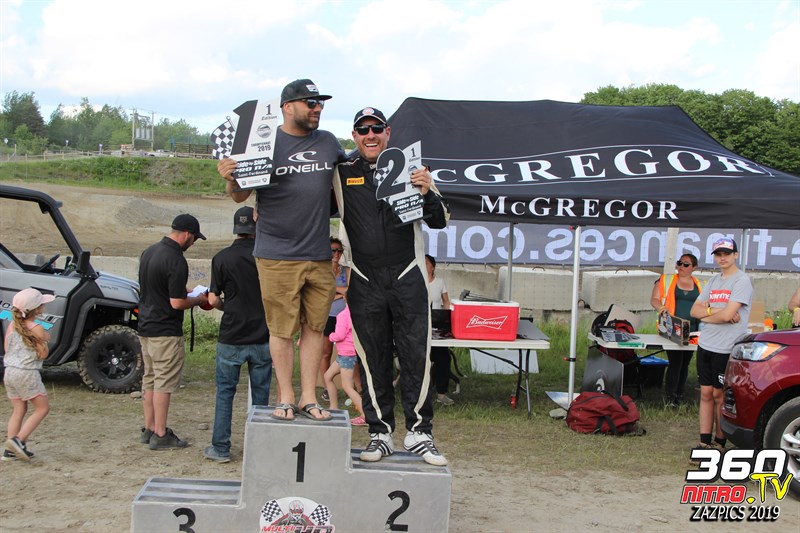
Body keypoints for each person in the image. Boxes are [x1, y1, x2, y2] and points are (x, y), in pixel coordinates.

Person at [217, 79, 345, 422]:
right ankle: (286, 395)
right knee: (281, 330)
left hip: (319, 254)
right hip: (276, 255)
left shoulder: (329, 142)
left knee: (315, 328)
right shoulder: (263, 143)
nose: (317, 108)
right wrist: (230, 177)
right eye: (310, 103)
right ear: (287, 107)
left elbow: (351, 179)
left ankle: (308, 397)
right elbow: (239, 195)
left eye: (320, 103)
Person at [332, 107, 450, 466]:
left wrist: (427, 191)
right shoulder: (341, 172)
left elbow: (441, 219)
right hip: (364, 278)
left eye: (377, 128)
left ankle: (420, 432)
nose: (370, 135)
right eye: (363, 129)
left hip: (407, 275)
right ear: (354, 136)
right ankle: (380, 432)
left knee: (416, 356)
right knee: (372, 359)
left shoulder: (413, 169)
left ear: (388, 132)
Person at [203, 206, 272, 463]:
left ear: (236, 229)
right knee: (261, 396)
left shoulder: (221, 258)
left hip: (231, 335)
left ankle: (220, 448)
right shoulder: (266, 256)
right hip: (263, 334)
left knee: (225, 393)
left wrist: (226, 305)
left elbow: (213, 299)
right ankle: (258, 450)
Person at [138, 213, 209, 450]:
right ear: (187, 234)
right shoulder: (176, 259)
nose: (193, 243)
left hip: (146, 326)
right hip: (165, 330)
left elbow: (157, 287)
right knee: (163, 382)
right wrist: (198, 299)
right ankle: (161, 433)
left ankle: (149, 428)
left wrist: (185, 290)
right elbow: (176, 303)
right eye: (194, 238)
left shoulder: (149, 252)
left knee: (149, 379)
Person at [690, 237, 752, 458]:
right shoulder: (714, 281)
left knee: (719, 395)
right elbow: (695, 311)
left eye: (727, 254)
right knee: (706, 393)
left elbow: (728, 316)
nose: (722, 258)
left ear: (736, 255)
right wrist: (715, 312)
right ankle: (704, 441)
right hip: (706, 344)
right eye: (718, 254)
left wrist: (710, 313)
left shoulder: (742, 281)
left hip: (726, 347)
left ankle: (720, 442)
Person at [3, 288, 54, 462]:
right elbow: (42, 354)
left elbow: (7, 347)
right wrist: (45, 341)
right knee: (42, 408)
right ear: (36, 309)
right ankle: (18, 440)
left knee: (19, 409)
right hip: (26, 373)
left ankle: (10, 450)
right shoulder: (37, 328)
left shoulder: (12, 325)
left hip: (10, 371)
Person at [650, 253, 702, 406]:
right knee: (676, 362)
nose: (681, 267)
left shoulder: (700, 284)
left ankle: (679, 394)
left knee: (685, 362)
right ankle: (670, 396)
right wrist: (662, 308)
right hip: (672, 328)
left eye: (686, 264)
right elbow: (654, 299)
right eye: (679, 263)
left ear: (694, 267)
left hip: (692, 330)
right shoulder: (667, 280)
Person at [323, 300, 366, 426]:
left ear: (344, 299)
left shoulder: (343, 315)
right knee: (327, 376)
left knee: (347, 386)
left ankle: (365, 415)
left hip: (346, 355)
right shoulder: (359, 313)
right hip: (347, 353)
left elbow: (340, 335)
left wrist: (331, 336)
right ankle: (333, 407)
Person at [320, 237, 349, 401]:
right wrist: (341, 292)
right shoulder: (322, 270)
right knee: (326, 352)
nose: (336, 253)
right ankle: (327, 387)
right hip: (327, 316)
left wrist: (334, 292)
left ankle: (352, 386)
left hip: (345, 317)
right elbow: (322, 294)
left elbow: (350, 291)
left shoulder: (346, 270)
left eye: (339, 250)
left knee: (349, 352)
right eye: (333, 250)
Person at [426, 254, 454, 406]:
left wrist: (447, 318)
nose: (424, 265)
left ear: (433, 266)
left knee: (443, 359)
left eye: (427, 263)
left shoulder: (440, 282)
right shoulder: (416, 282)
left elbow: (446, 301)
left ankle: (441, 394)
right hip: (420, 327)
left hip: (437, 328)